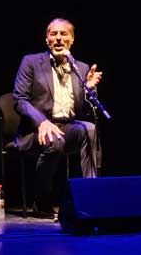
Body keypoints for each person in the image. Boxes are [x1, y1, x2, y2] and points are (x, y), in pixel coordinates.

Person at [13, 18, 102, 218]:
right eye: (53, 34)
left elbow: (83, 112)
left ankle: (91, 196)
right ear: (47, 39)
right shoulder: (31, 62)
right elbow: (20, 100)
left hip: (67, 128)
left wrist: (89, 90)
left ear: (72, 40)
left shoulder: (81, 68)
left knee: (89, 129)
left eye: (64, 34)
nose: (59, 38)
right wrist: (42, 122)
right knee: (55, 140)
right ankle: (42, 201)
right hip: (35, 131)